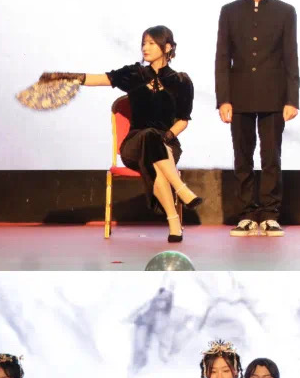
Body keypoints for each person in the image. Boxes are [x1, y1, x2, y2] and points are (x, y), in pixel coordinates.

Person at [40, 26, 200, 242]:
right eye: (143, 43)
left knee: (154, 151)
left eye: (151, 43)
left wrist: (166, 138)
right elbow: (99, 79)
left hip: (167, 143)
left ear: (168, 47)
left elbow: (183, 120)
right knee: (148, 136)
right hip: (134, 145)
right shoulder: (135, 74)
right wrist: (65, 77)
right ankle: (181, 190)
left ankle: (174, 223)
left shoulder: (181, 81)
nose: (145, 48)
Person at [217, 0, 300, 238]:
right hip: (239, 94)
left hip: (274, 94)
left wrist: (292, 99)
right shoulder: (229, 11)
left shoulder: (285, 11)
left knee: (271, 156)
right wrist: (223, 99)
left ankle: (270, 214)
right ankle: (246, 214)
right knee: (242, 156)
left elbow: (291, 56)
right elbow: (222, 57)